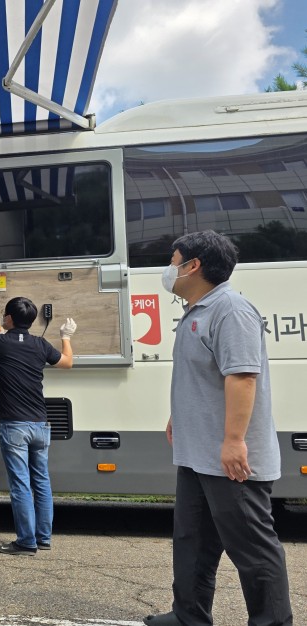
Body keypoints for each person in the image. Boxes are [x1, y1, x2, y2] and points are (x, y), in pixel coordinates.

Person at [143, 230, 292, 626]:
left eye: (173, 261)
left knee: (253, 549)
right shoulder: (197, 310)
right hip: (197, 454)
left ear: (193, 266)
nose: (168, 269)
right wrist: (179, 415)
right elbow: (203, 377)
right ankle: (188, 615)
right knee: (192, 542)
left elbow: (242, 377)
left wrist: (234, 441)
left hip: (228, 460)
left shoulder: (231, 310)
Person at [0, 297, 76, 555]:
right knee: (41, 481)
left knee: (20, 484)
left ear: (8, 318)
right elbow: (67, 362)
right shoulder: (40, 344)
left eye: (4, 314)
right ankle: (43, 538)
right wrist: (65, 336)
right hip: (40, 424)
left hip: (14, 425)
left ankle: (26, 542)